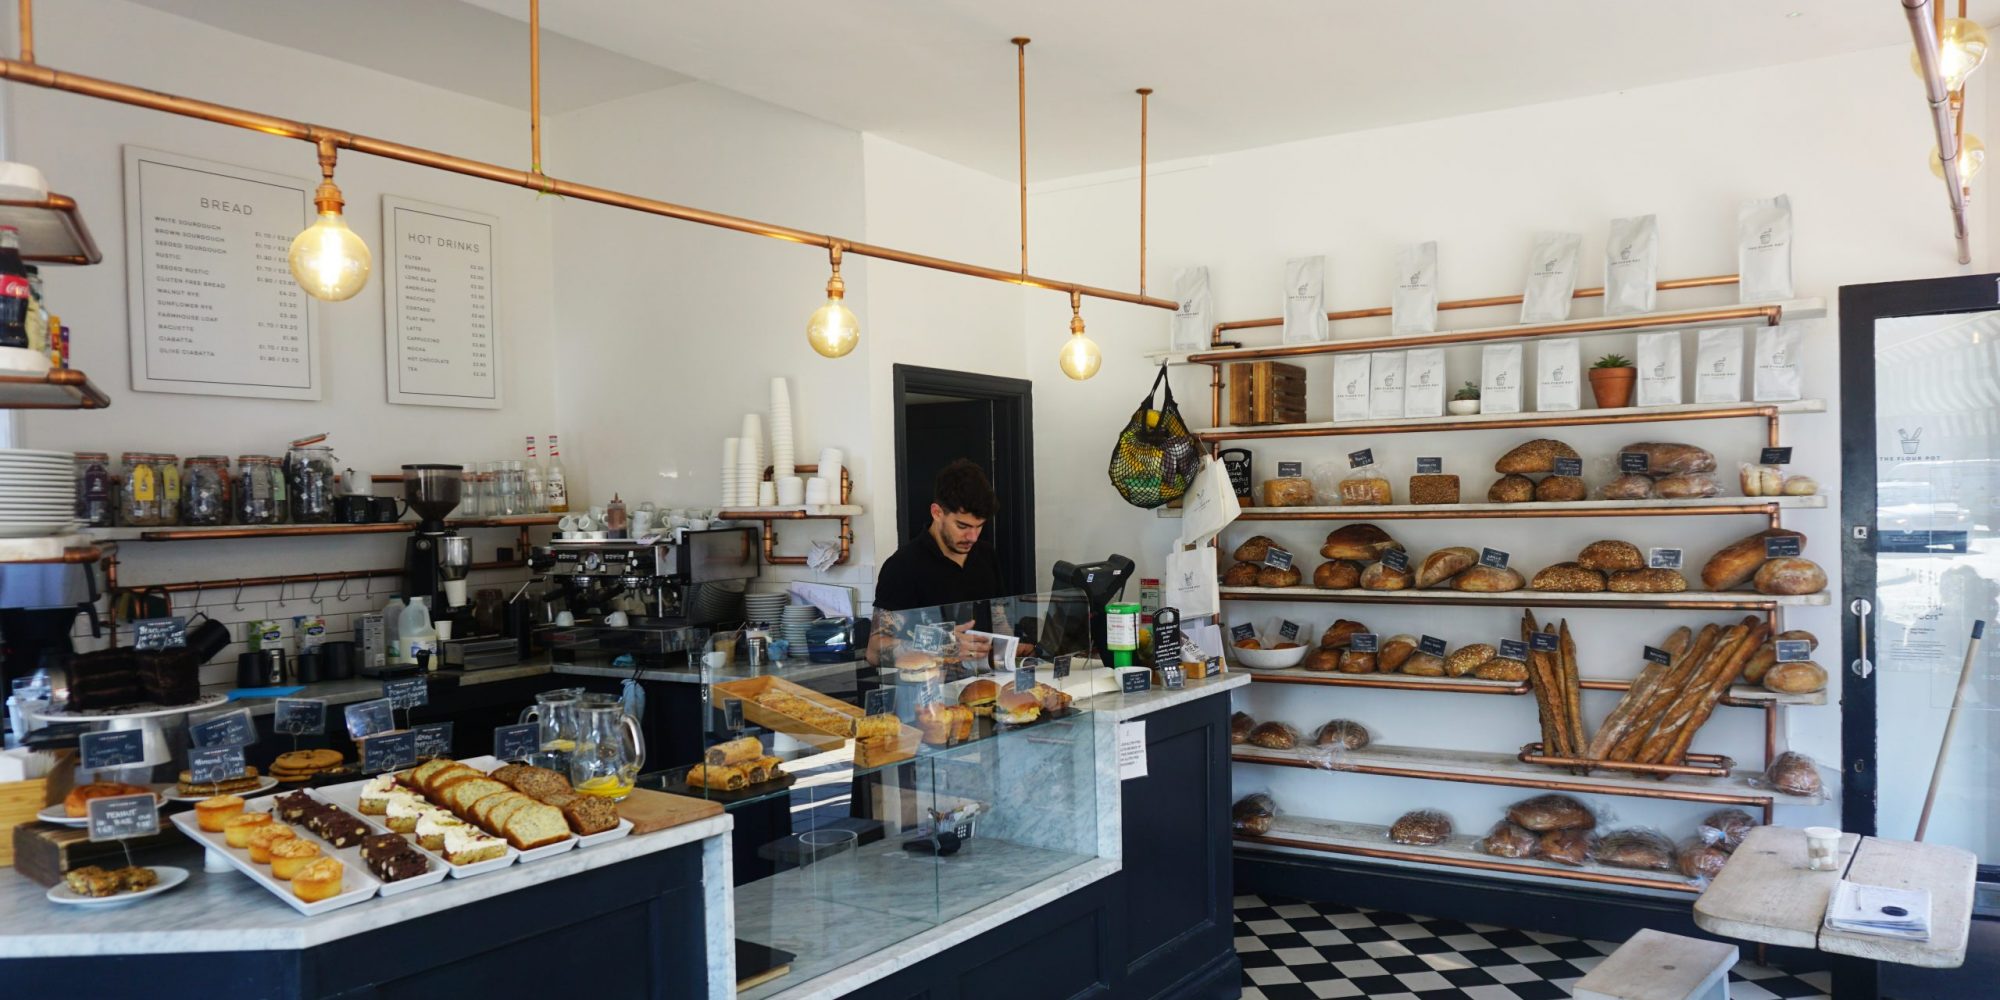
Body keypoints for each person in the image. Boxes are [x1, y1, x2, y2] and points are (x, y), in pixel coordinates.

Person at [868, 459, 1004, 667]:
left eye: (980, 526)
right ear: (937, 512)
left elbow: (1000, 621)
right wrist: (944, 643)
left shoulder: (986, 555)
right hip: (925, 692)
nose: (973, 537)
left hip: (982, 686)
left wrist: (1011, 648)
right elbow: (875, 650)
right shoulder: (903, 565)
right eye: (962, 526)